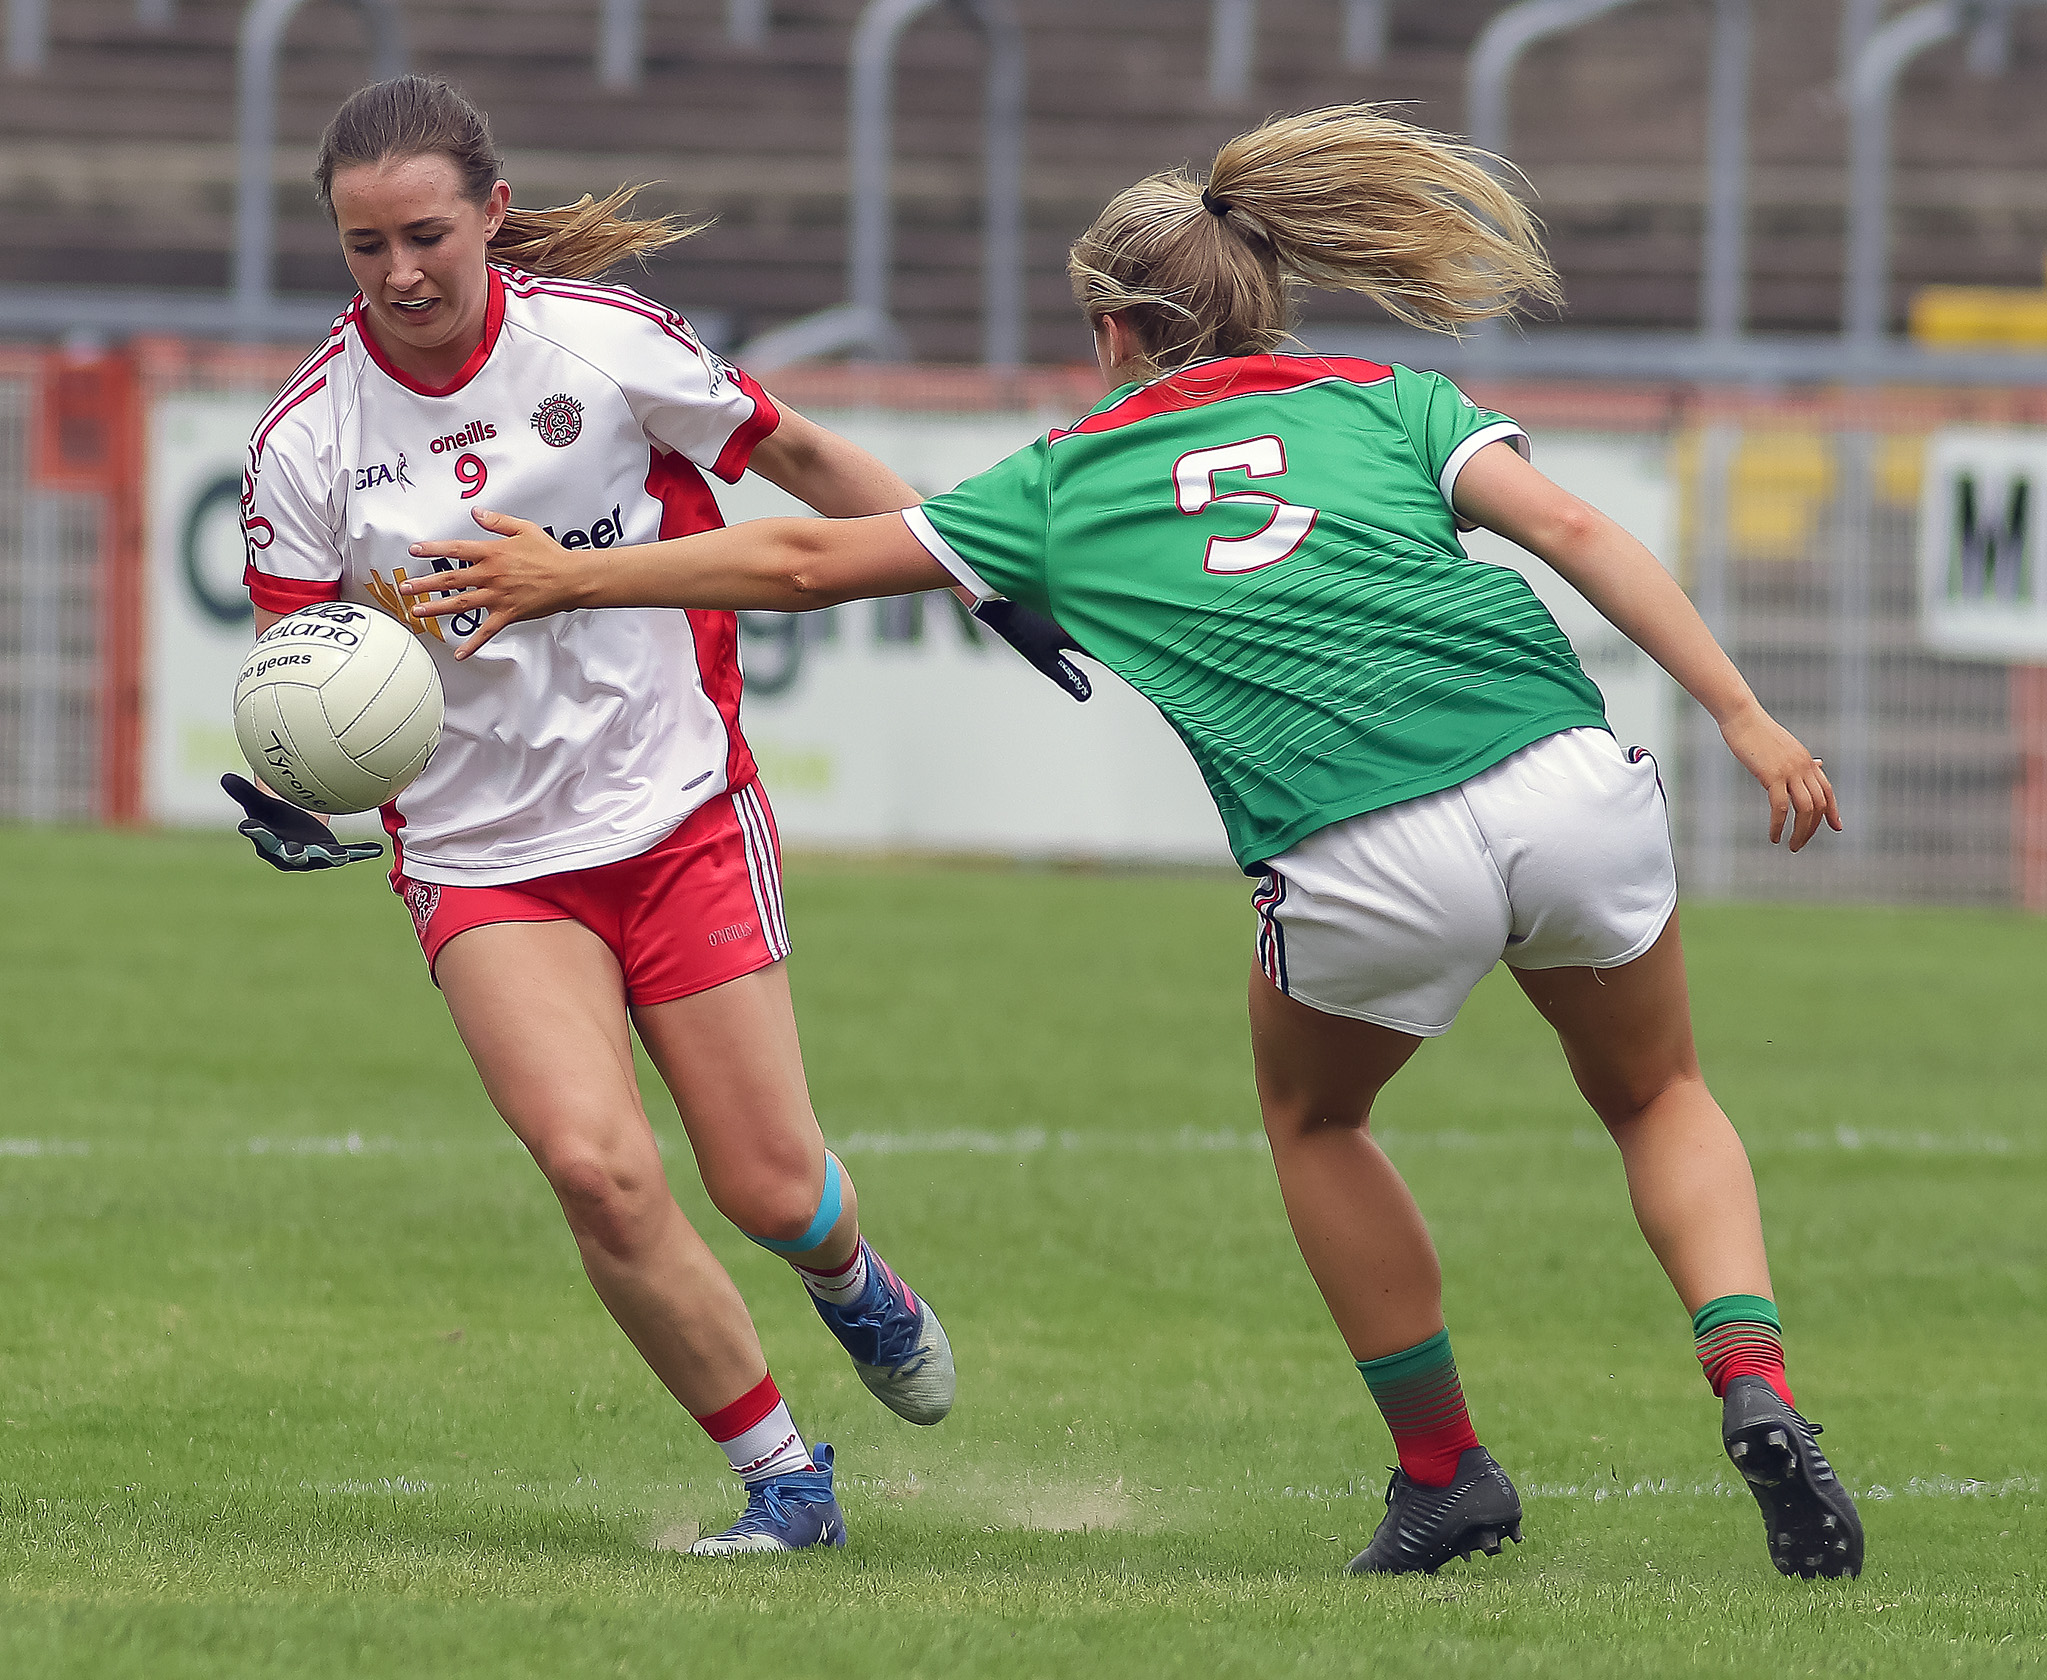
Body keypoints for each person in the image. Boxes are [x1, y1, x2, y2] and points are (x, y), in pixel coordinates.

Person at [399, 106, 1865, 1582]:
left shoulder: (1072, 476)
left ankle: (1446, 1476)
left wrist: (568, 582)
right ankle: (1755, 1384)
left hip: (1363, 844)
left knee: (1320, 1123)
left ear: (1109, 329)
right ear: (1267, 301)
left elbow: (796, 559)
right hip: (1560, 776)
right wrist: (1743, 717)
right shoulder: (1384, 395)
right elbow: (1579, 535)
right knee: (1658, 1092)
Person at [229, 74, 1088, 1557]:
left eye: (427, 234)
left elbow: (805, 461)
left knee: (767, 1185)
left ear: (493, 213)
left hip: (674, 806)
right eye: (364, 248)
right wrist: (281, 791)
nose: (402, 274)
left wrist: (968, 567)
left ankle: (851, 1281)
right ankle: (786, 1484)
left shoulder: (601, 343)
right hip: (486, 856)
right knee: (594, 1167)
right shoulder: (307, 442)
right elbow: (295, 678)